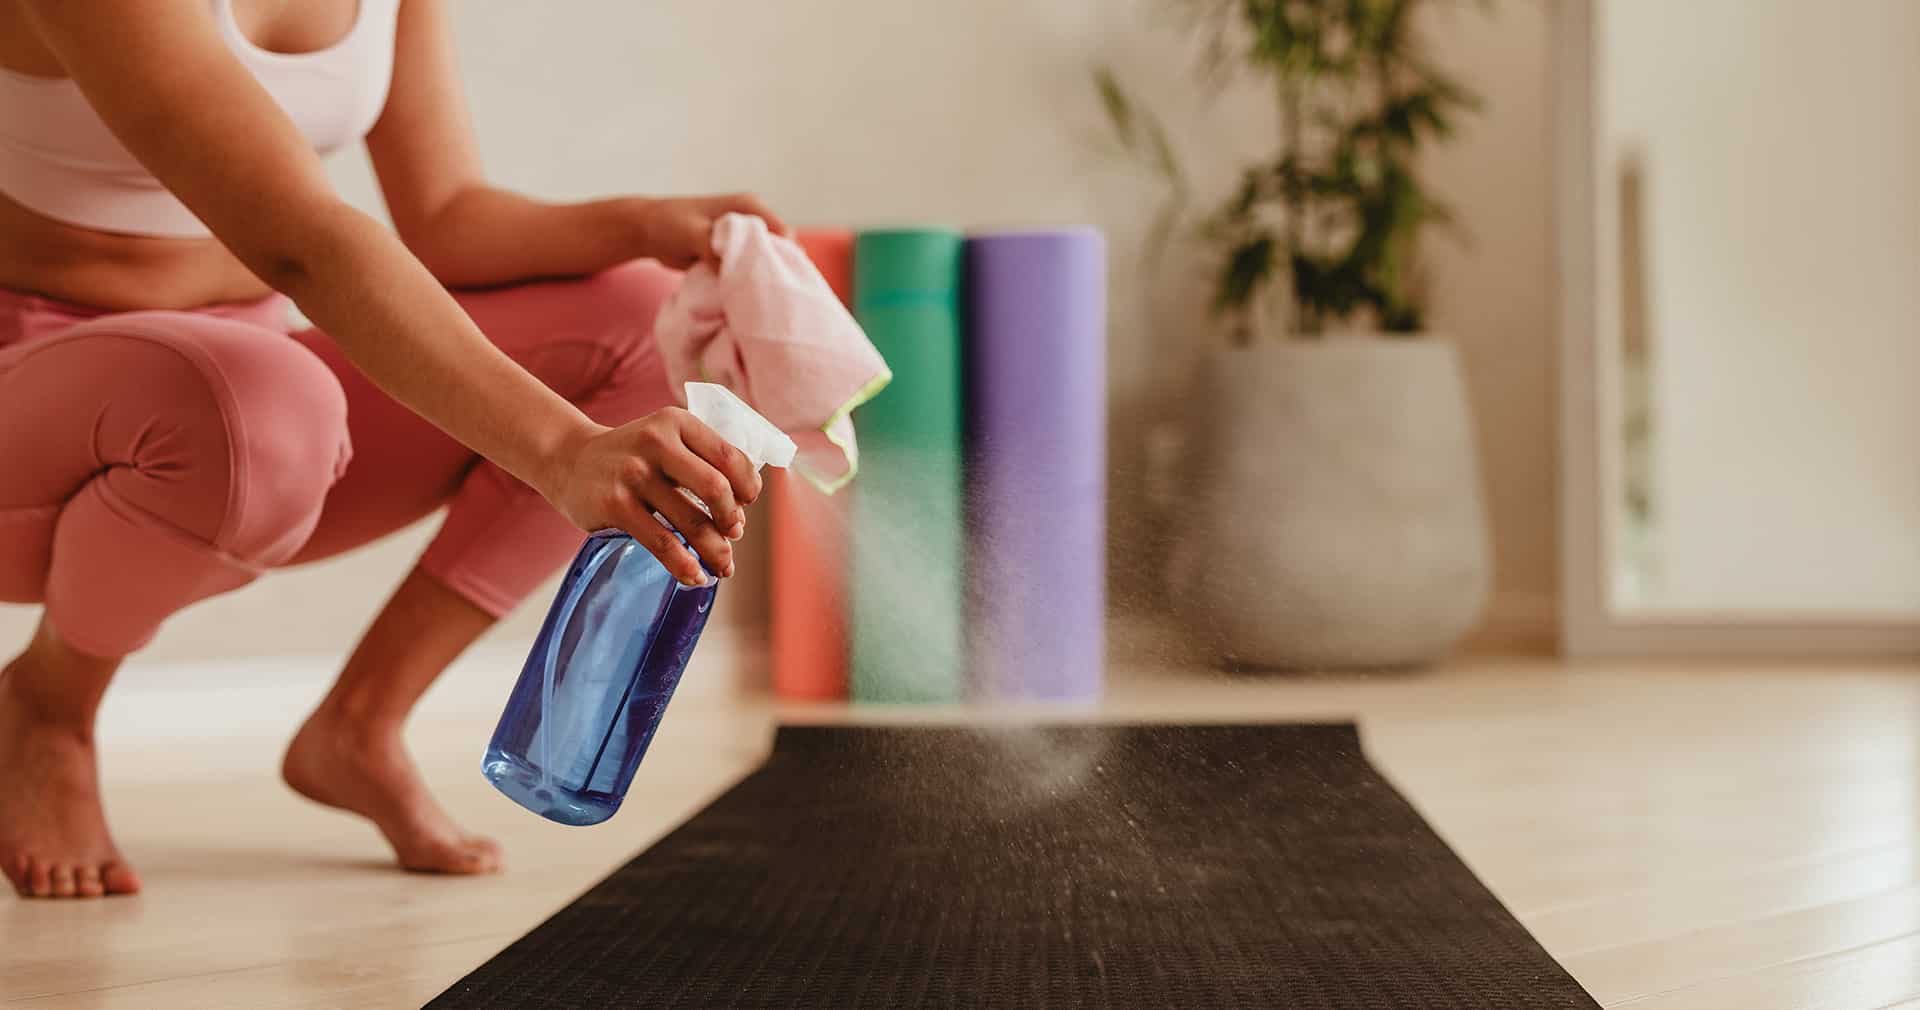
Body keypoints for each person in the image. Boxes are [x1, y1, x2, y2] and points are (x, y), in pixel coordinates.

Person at [0, 0, 787, 899]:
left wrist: (652, 225)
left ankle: (362, 724)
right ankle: (48, 707)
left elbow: (447, 217)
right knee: (263, 400)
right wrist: (566, 452)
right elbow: (301, 242)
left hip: (244, 412)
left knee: (640, 323)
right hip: (35, 409)